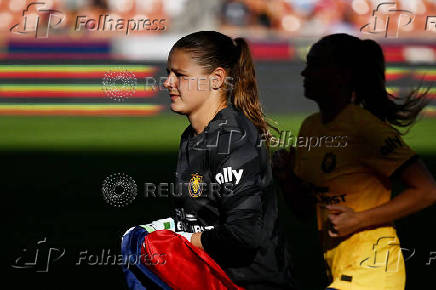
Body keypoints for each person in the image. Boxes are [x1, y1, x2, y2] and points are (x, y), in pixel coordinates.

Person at [122, 31, 294, 289]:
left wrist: (183, 240)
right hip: (213, 277)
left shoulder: (232, 140)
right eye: (169, 73)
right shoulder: (192, 136)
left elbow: (244, 234)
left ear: (216, 79)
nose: (168, 83)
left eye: (180, 75)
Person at [273, 33, 436, 290]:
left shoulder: (364, 127)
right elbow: (305, 210)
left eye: (315, 65)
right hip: (340, 271)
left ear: (342, 75)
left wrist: (358, 219)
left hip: (374, 272)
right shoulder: (310, 127)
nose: (304, 73)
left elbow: (427, 190)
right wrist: (287, 178)